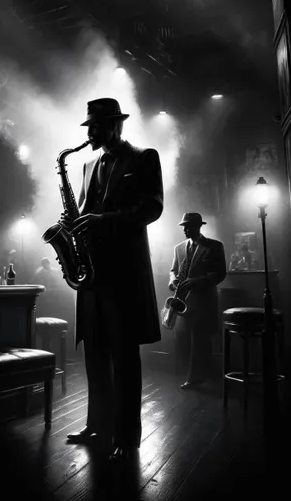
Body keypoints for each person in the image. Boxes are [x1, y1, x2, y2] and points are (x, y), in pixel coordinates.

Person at [66, 97, 164, 463]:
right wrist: (68, 228)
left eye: (95, 125)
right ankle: (97, 426)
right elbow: (81, 210)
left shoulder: (143, 157)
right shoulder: (88, 164)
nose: (89, 133)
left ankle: (128, 437)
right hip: (92, 276)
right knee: (95, 356)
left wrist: (102, 222)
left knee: (124, 359)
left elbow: (152, 207)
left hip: (123, 275)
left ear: (114, 124)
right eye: (88, 126)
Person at [169, 212, 226, 389]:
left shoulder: (215, 246)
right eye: (183, 226)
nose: (185, 229)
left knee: (200, 340)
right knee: (184, 339)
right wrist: (173, 281)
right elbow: (173, 270)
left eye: (188, 226)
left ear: (199, 227)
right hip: (183, 301)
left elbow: (220, 274)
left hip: (204, 301)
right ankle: (194, 374)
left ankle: (196, 377)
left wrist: (197, 281)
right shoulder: (178, 248)